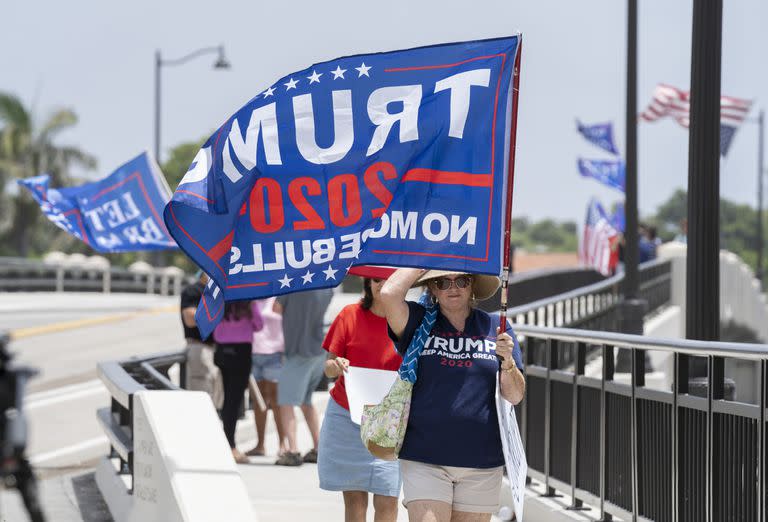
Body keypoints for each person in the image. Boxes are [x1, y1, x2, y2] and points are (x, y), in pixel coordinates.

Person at [380, 268, 525, 522]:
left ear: (472, 285)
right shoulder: (417, 321)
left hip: (482, 461)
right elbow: (390, 294)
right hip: (424, 457)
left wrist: (508, 362)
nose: (452, 287)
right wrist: (430, 257)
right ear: (433, 289)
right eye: (442, 282)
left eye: (461, 280)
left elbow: (515, 396)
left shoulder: (496, 326)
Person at [318, 275, 402, 522]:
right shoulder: (349, 314)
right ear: (367, 283)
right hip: (347, 416)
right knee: (354, 500)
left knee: (388, 498)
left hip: (390, 421)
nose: (382, 284)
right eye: (376, 279)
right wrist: (338, 365)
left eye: (388, 279)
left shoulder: (409, 318)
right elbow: (328, 367)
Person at [274, 288, 333, 466]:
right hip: (318, 349)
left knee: (286, 402)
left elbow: (276, 308)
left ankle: (292, 451)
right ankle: (317, 447)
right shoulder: (327, 286)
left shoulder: (291, 284)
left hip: (298, 350)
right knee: (306, 401)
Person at [213, 301, 264, 464]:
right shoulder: (249, 302)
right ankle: (230, 445)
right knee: (234, 401)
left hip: (221, 351)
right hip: (241, 352)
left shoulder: (220, 300)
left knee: (227, 398)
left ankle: (227, 442)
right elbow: (259, 325)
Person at [246, 296, 288, 457]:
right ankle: (260, 444)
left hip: (275, 355)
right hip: (253, 354)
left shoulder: (278, 298)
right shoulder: (252, 299)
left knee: (277, 402)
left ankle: (283, 443)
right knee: (259, 402)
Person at [181, 271, 221, 406]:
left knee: (215, 399)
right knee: (201, 398)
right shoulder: (193, 290)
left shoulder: (218, 291)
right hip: (199, 347)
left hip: (217, 348)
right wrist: (218, 312)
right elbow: (190, 318)